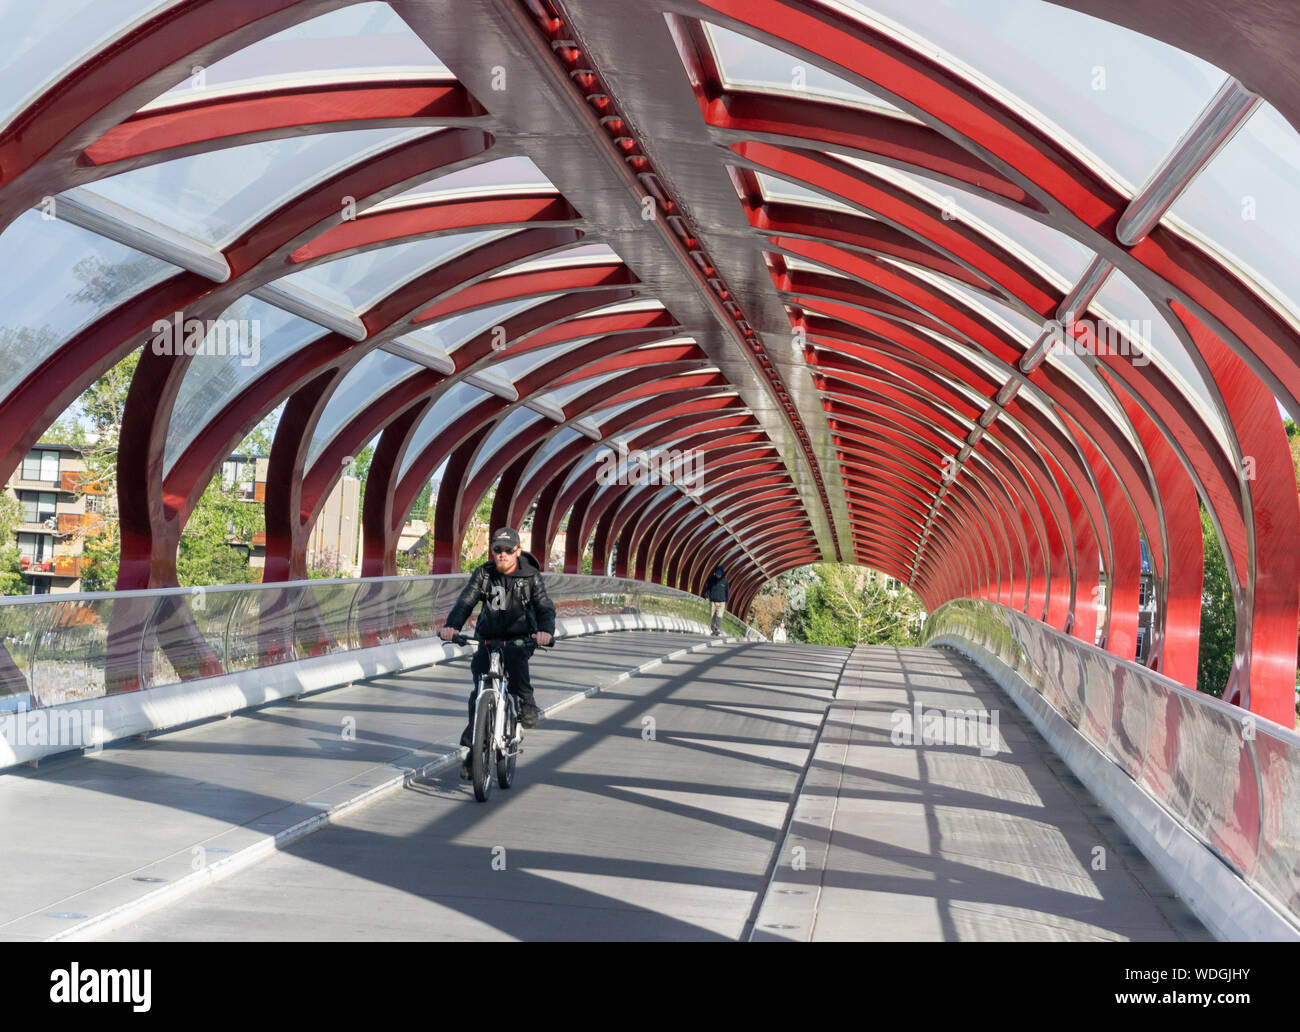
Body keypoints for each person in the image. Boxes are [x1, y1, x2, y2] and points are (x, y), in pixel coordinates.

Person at [440, 527, 555, 780]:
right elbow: (466, 601)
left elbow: (544, 606)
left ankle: (526, 701)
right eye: (497, 550)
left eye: (507, 550)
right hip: (488, 638)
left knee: (515, 664)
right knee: (478, 689)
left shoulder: (531, 577)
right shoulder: (484, 573)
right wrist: (452, 626)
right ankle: (475, 746)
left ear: (518, 551)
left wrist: (545, 632)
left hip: (519, 638)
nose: (502, 555)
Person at [703, 565, 729, 636]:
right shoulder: (711, 579)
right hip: (713, 601)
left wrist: (726, 601)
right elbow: (707, 588)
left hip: (722, 602)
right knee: (712, 616)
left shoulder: (725, 581)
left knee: (719, 616)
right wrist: (707, 596)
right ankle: (713, 629)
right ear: (715, 573)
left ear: (722, 573)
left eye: (720, 573)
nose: (718, 575)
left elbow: (727, 592)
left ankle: (717, 629)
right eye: (717, 573)